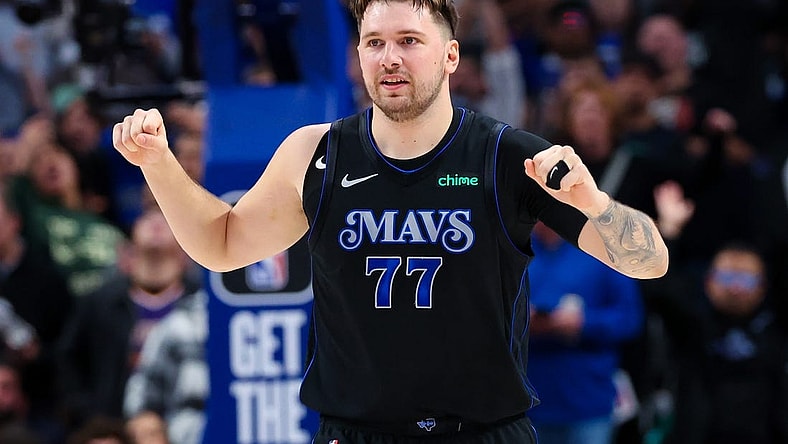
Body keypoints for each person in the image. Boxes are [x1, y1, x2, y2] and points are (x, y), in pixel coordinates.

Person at [111, 0, 669, 442]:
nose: (390, 58)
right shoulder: (317, 154)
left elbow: (651, 261)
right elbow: (223, 244)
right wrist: (158, 164)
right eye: (374, 43)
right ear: (358, 55)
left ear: (450, 56)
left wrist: (595, 204)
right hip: (355, 433)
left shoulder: (506, 156)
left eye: (408, 41)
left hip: (481, 433)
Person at [526, 221, 644, 444]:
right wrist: (519, 322)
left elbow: (630, 318)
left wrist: (584, 322)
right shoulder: (508, 248)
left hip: (588, 401)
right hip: (526, 403)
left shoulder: (603, 249)